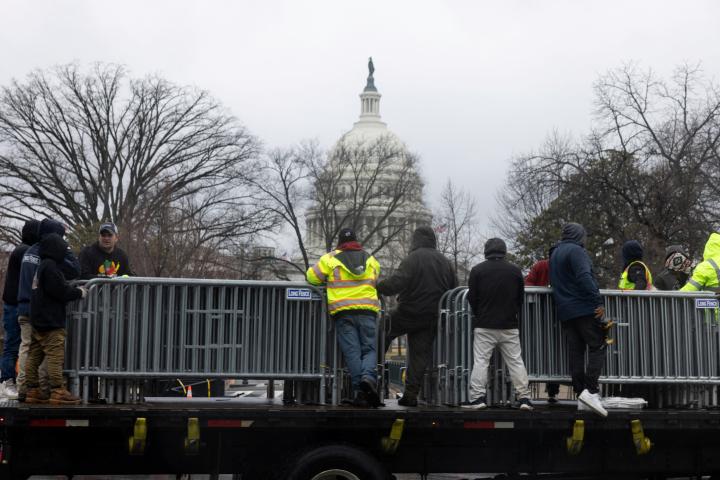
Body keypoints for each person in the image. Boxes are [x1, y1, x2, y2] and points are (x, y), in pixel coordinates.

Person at [376, 226, 457, 407]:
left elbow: (396, 283)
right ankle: (411, 394)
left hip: (409, 311)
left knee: (382, 329)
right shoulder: (445, 262)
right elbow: (454, 289)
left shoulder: (413, 258)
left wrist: (377, 287)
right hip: (432, 316)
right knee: (419, 355)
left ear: (415, 241)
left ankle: (373, 372)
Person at [306, 227, 382, 408]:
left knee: (352, 352)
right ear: (357, 241)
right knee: (370, 349)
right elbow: (376, 277)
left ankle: (360, 392)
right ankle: (368, 378)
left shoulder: (330, 259)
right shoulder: (371, 259)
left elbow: (311, 278)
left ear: (339, 243)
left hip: (343, 312)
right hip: (368, 310)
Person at [462, 238, 533, 411]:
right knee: (515, 361)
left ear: (487, 251)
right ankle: (524, 397)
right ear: (504, 251)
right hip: (509, 324)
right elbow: (519, 298)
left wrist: (481, 313)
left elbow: (472, 297)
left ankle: (478, 398)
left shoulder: (477, 270)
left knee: (481, 362)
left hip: (485, 324)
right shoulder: (515, 271)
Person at [16, 218, 80, 402]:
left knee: (32, 354)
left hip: (34, 315)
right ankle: (56, 391)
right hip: (49, 319)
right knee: (54, 355)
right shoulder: (51, 266)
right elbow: (60, 289)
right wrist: (78, 292)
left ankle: (31, 390)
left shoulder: (34, 256)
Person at [549, 223, 607, 417]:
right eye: (584, 236)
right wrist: (597, 300)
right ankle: (590, 391)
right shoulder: (576, 251)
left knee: (576, 352)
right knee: (598, 345)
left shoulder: (555, 253)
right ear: (578, 236)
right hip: (583, 307)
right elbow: (583, 276)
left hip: (565, 311)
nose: (585, 239)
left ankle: (580, 393)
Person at [0, 220, 40, 400]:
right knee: (13, 346)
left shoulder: (21, 249)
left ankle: (13, 380)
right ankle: (7, 381)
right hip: (15, 305)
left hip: (13, 303)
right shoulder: (25, 251)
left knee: (16, 345)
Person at [524, 255, 560, 404]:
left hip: (539, 316)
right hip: (556, 315)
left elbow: (528, 283)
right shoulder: (561, 265)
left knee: (534, 351)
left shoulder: (540, 265)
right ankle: (552, 390)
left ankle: (527, 387)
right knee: (556, 352)